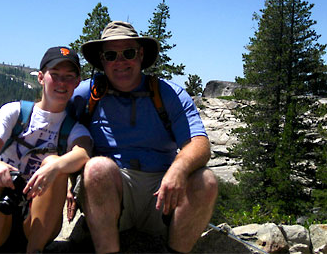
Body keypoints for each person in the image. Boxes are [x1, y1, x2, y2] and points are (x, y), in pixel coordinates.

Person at [70, 21, 218, 253]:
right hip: (113, 192)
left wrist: (178, 169)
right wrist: (65, 181)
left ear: (140, 55)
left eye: (128, 53)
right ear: (102, 60)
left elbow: (199, 144)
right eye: (111, 55)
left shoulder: (169, 94)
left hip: (162, 192)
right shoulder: (87, 95)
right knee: (97, 167)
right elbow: (53, 127)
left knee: (206, 181)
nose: (120, 62)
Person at [0, 47, 92, 253]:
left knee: (54, 164)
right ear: (41, 77)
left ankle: (34, 250)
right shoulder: (15, 112)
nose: (62, 83)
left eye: (69, 77)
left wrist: (54, 166)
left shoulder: (74, 129)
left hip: (37, 221)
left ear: (77, 82)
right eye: (55, 75)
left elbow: (83, 152)